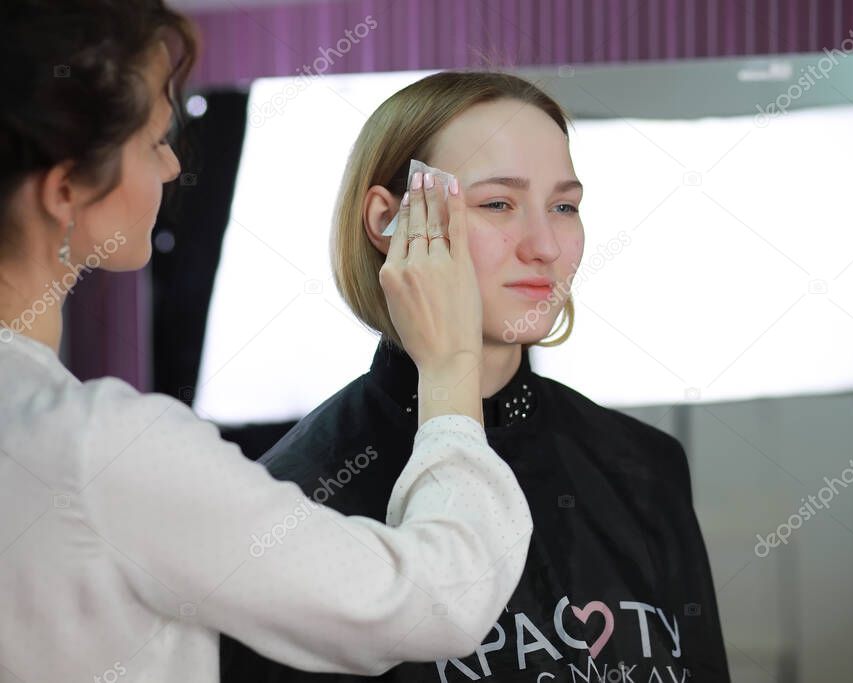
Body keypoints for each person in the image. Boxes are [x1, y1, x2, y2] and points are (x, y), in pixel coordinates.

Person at [0, 3, 532, 681]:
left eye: (565, 205)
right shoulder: (98, 449)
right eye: (157, 140)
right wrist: (452, 368)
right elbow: (433, 599)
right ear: (66, 186)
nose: (169, 169)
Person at [222, 71, 731, 682]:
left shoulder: (647, 467)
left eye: (564, 206)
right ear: (389, 220)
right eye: (497, 203)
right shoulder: (296, 496)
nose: (545, 245)